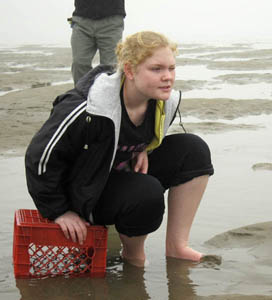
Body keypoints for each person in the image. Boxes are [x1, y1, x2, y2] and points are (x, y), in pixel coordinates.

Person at [25, 31, 214, 266]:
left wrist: (143, 146)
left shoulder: (166, 101)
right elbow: (39, 158)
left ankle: (177, 246)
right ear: (130, 70)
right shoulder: (87, 106)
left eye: (171, 68)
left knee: (193, 150)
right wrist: (59, 211)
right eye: (156, 69)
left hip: (118, 173)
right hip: (85, 193)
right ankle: (133, 255)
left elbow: (137, 134)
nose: (168, 77)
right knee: (147, 192)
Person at [69, 0, 126, 85]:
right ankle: (81, 95)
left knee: (110, 67)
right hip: (81, 20)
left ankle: (107, 95)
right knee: (79, 62)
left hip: (111, 21)